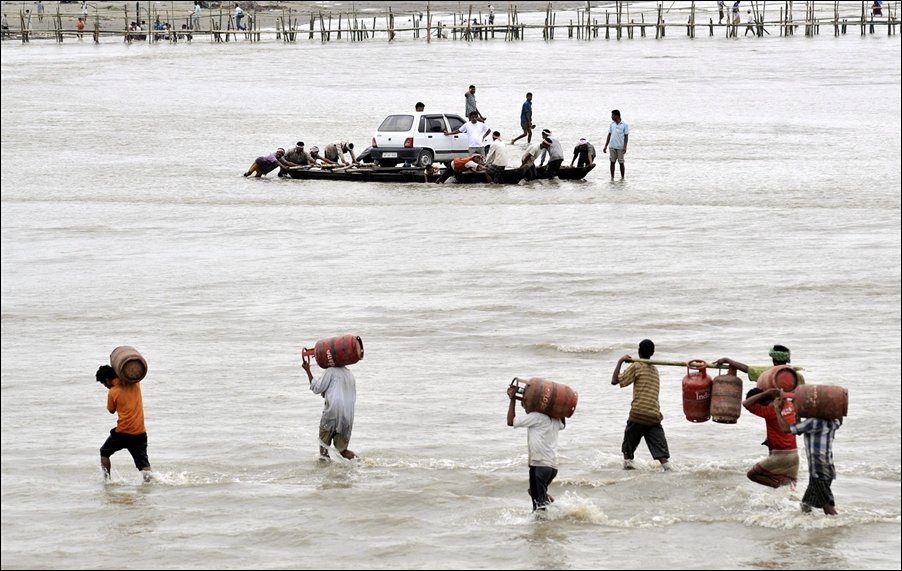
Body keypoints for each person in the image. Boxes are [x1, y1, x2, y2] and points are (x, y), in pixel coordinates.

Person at [611, 339, 672, 471]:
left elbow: (614, 381)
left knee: (627, 452)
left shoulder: (637, 366)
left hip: (638, 414)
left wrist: (620, 361)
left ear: (639, 351)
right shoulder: (655, 370)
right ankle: (669, 472)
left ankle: (627, 469)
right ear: (653, 353)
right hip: (654, 416)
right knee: (663, 458)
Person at [775, 396, 842, 515]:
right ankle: (815, 530)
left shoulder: (813, 422)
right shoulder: (834, 422)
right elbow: (799, 429)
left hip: (819, 471)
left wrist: (777, 410)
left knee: (828, 508)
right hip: (827, 470)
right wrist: (798, 413)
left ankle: (838, 530)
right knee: (806, 505)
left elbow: (785, 429)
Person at [507, 384, 564, 512]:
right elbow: (563, 424)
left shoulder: (536, 417)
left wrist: (512, 400)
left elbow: (511, 421)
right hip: (552, 467)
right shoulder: (554, 419)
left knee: (538, 508)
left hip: (540, 466)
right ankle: (561, 511)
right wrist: (560, 409)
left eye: (526, 405)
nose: (526, 408)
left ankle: (545, 525)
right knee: (535, 493)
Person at [96, 365, 153, 482]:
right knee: (143, 464)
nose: (106, 386)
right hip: (139, 432)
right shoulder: (135, 384)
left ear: (107, 380)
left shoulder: (113, 392)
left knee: (104, 452)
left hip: (123, 432)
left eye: (104, 384)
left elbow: (111, 410)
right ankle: (149, 485)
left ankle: (107, 481)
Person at [738, 387, 799, 488]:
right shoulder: (790, 405)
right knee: (789, 485)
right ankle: (783, 494)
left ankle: (778, 488)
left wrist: (765, 393)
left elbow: (745, 404)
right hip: (794, 455)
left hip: (780, 456)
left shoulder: (769, 411)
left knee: (752, 474)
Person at [301, 358, 357, 460]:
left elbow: (317, 388)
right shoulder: (350, 375)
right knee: (343, 451)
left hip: (331, 415)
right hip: (347, 419)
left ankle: (325, 474)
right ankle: (362, 464)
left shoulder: (330, 371)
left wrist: (308, 370)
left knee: (323, 450)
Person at [713, 344, 804, 387]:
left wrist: (727, 360)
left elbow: (747, 369)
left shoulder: (768, 373)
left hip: (774, 408)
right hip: (792, 411)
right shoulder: (797, 376)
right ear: (787, 360)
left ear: (773, 360)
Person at [603, 109, 629, 179]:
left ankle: (622, 178)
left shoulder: (625, 125)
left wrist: (625, 147)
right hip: (612, 146)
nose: (611, 117)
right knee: (612, 162)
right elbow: (609, 135)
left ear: (616, 115)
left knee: (621, 162)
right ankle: (612, 178)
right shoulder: (612, 124)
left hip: (620, 147)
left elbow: (626, 136)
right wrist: (605, 146)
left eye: (612, 115)